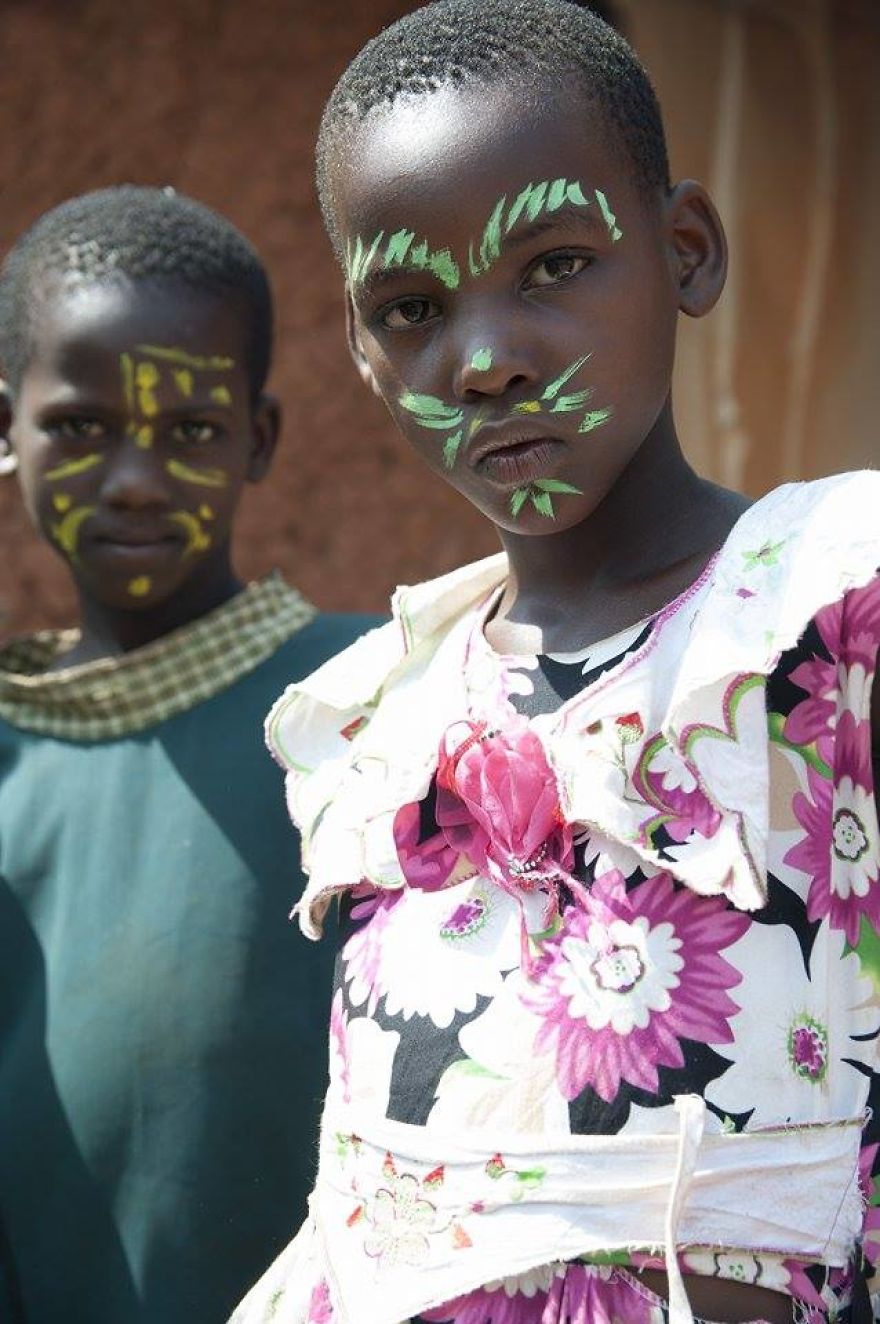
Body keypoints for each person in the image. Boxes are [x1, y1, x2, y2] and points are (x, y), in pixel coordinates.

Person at [232, 3, 880, 1322]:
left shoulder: (824, 619)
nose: (483, 360)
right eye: (411, 307)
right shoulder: (379, 721)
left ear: (685, 253)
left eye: (552, 264)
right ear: (363, 351)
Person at [0, 186, 380, 1324]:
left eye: (191, 430)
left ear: (257, 441)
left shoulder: (362, 704)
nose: (132, 477)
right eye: (77, 426)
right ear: (7, 427)